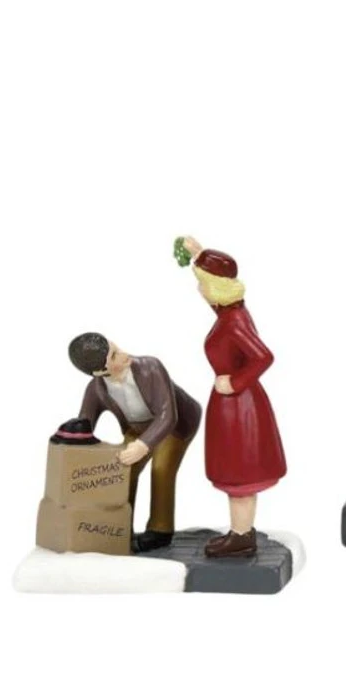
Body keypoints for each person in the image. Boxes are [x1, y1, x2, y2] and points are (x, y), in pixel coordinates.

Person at [178, 238, 287, 558]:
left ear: (217, 287)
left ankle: (241, 536)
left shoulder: (234, 321)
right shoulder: (230, 311)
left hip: (239, 406)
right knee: (235, 474)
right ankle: (240, 532)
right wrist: (200, 256)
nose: (199, 290)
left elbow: (263, 356)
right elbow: (217, 305)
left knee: (240, 475)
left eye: (203, 284)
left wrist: (235, 382)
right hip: (232, 405)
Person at [68, 333, 202, 551]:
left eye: (116, 348)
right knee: (122, 471)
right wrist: (72, 436)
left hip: (173, 425)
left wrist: (143, 445)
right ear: (100, 372)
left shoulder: (151, 368)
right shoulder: (96, 389)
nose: (124, 354)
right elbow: (85, 422)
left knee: (161, 469)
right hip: (137, 428)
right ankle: (120, 526)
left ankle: (160, 530)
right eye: (114, 356)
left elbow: (168, 415)